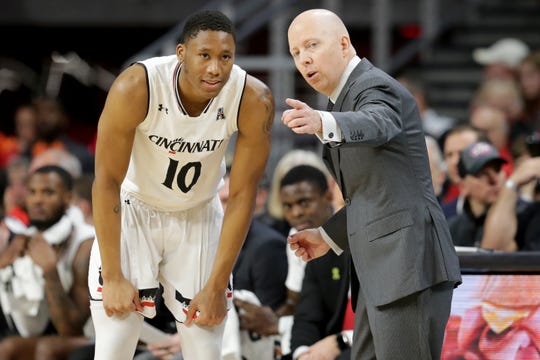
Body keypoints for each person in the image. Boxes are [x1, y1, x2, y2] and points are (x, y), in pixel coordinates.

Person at [88, 10, 273, 360]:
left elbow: (243, 194)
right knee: (114, 345)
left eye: (225, 57)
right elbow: (107, 181)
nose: (215, 68)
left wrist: (218, 285)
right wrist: (112, 275)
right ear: (181, 53)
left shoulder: (253, 99)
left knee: (206, 348)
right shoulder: (136, 86)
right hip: (134, 211)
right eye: (205, 55)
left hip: (198, 213)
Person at [281, 9, 462, 359]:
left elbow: (379, 122)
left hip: (408, 265)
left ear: (344, 43)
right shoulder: (343, 99)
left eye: (312, 45)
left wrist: (322, 121)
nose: (303, 58)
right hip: (382, 274)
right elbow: (373, 192)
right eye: (295, 52)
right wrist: (328, 237)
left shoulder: (373, 85)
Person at [234, 164, 338, 359]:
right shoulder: (295, 236)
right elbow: (294, 302)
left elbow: (334, 316)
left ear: (328, 196)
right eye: (288, 206)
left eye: (304, 202)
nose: (296, 213)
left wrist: (277, 324)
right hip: (308, 336)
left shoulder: (347, 237)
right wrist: (265, 316)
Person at [0, 165, 95, 359]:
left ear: (68, 199)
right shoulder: (25, 239)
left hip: (93, 335)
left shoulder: (86, 244)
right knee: (7, 348)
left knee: (47, 349)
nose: (38, 200)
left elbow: (71, 329)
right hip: (47, 333)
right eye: (32, 192)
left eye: (48, 192)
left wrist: (50, 270)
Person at [447, 141, 507, 248]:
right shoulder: (450, 231)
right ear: (463, 185)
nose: (494, 180)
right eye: (482, 174)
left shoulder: (524, 217)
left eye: (497, 170)